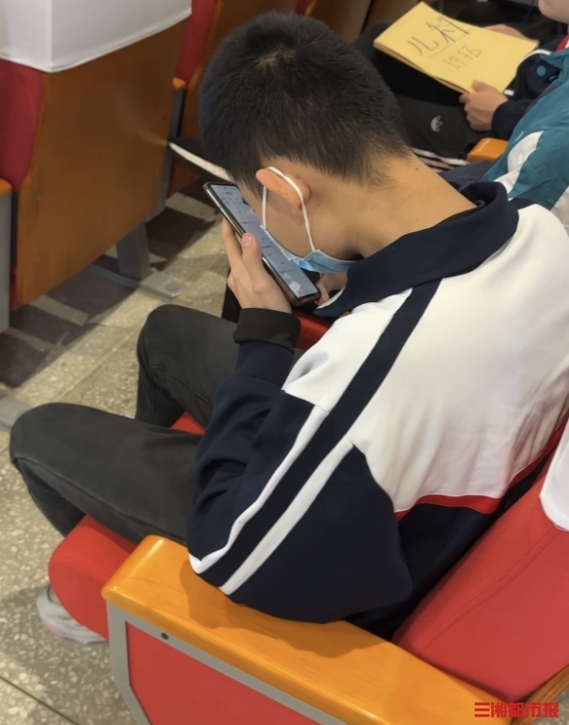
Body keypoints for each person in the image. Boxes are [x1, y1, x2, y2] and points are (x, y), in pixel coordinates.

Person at [10, 12, 569, 644]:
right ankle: (142, 509)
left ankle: (114, 607)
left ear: (285, 189)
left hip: (328, 557)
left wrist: (264, 338)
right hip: (439, 461)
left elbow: (235, 553)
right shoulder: (538, 229)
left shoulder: (375, 368)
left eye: (255, 203)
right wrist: (350, 283)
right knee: (167, 332)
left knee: (38, 432)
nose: (259, 220)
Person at [354, 3, 568, 170]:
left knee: (362, 112)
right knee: (380, 38)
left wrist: (501, 113)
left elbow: (556, 130)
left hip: (498, 131)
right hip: (510, 85)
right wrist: (533, 46)